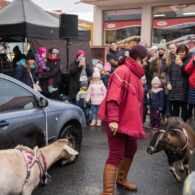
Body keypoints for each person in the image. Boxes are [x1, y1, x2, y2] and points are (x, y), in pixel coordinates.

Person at [98, 44, 149, 194]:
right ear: (138, 59)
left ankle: (121, 179)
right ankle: (107, 192)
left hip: (128, 123)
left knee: (131, 149)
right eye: (145, 60)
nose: (146, 63)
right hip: (117, 121)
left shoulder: (134, 74)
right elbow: (113, 97)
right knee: (116, 153)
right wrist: (113, 119)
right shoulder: (122, 71)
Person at [166, 44, 191, 121]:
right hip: (173, 87)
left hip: (183, 88)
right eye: (179, 52)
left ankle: (183, 125)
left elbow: (187, 74)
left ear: (186, 52)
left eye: (183, 52)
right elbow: (168, 73)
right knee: (175, 108)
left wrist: (181, 65)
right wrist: (168, 82)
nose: (181, 53)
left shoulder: (189, 60)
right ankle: (175, 125)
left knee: (183, 107)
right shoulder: (173, 60)